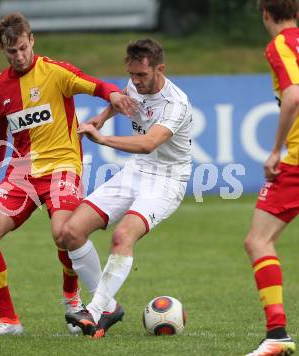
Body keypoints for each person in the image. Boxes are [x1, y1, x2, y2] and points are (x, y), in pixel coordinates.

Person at [0, 12, 137, 338]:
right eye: (12, 52)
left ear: (31, 40)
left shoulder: (55, 72)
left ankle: (72, 299)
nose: (19, 56)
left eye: (23, 48)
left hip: (62, 167)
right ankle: (8, 320)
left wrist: (114, 95)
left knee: (64, 232)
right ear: (2, 50)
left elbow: (96, 85)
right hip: (21, 175)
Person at [61, 38, 193, 338]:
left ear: (160, 69)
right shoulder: (136, 83)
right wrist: (103, 117)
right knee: (71, 232)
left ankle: (93, 311)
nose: (135, 81)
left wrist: (103, 139)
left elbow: (148, 144)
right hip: (135, 172)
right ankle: (106, 305)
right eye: (132, 74)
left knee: (123, 236)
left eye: (142, 75)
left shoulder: (176, 104)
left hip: (167, 179)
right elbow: (123, 97)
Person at [244, 1, 299, 355]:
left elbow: (293, 95)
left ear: (266, 13)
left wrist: (275, 149)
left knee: (258, 241)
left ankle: (277, 333)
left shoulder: (280, 44)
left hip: (297, 160)